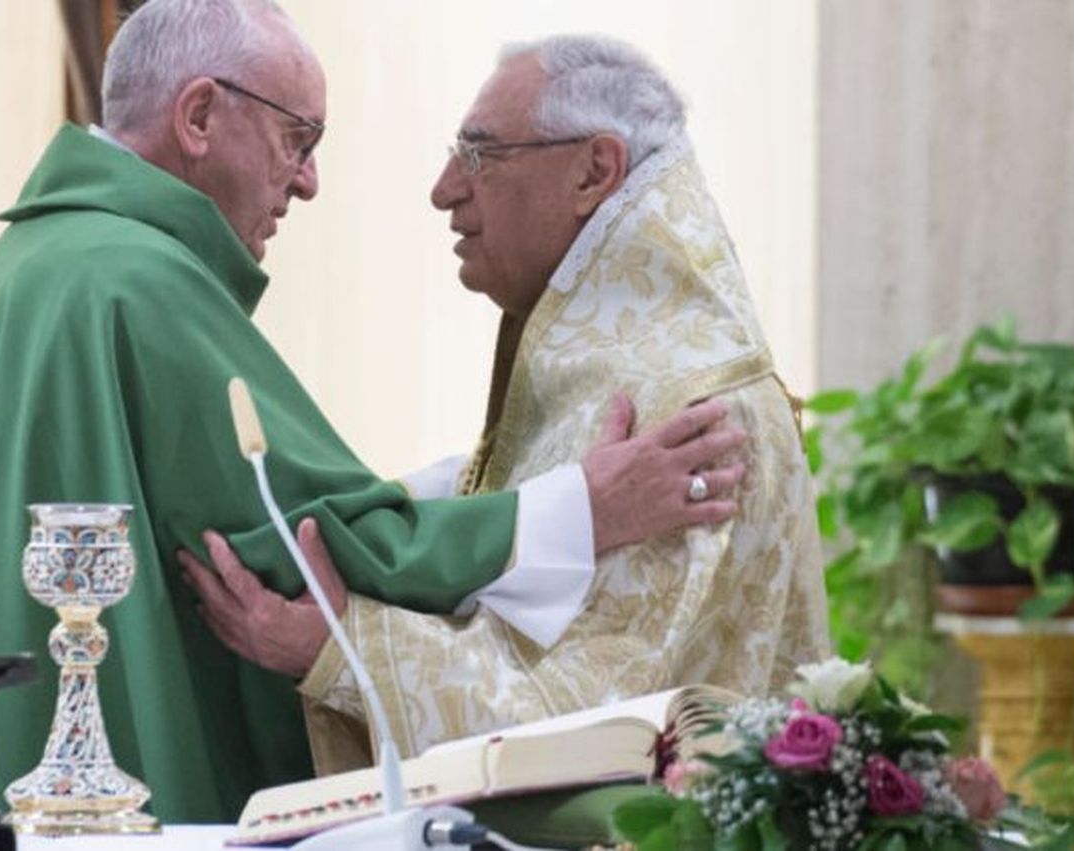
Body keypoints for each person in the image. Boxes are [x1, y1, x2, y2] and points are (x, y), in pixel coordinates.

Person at [0, 0, 748, 825]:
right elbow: (307, 536)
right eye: (297, 137)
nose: (308, 181)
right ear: (200, 116)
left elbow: (256, 488)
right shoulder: (139, 280)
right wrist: (583, 507)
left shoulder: (33, 261)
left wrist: (471, 475)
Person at [185, 35, 832, 770]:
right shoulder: (619, 374)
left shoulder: (690, 411)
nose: (444, 187)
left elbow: (604, 724)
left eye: (481, 155)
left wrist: (338, 648)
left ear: (594, 171)